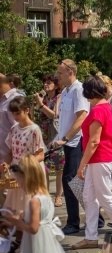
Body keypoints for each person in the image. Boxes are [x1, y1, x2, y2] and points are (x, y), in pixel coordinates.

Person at [73, 76, 112, 249]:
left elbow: (94, 141)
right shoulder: (104, 106)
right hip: (101, 158)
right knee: (89, 196)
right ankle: (91, 236)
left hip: (100, 158)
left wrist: (82, 164)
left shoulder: (98, 109)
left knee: (105, 197)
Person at [52, 60, 90, 235]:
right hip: (67, 142)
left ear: (70, 72)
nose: (57, 76)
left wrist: (66, 138)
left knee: (71, 181)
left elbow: (81, 117)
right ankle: (94, 217)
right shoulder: (66, 91)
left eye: (60, 73)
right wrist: (58, 138)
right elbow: (65, 120)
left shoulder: (78, 89)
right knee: (74, 182)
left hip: (75, 142)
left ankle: (74, 222)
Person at [32, 74, 64, 206]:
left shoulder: (59, 97)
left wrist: (40, 105)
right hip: (42, 135)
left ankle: (58, 196)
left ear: (56, 85)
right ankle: (45, 194)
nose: (46, 84)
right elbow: (35, 117)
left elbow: (54, 116)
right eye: (44, 82)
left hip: (55, 135)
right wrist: (35, 105)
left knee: (58, 168)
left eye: (49, 82)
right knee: (43, 167)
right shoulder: (42, 98)